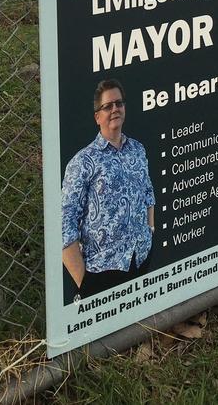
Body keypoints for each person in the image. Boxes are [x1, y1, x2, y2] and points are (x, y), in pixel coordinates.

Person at [61, 78, 155, 300]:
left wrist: (149, 233)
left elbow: (148, 193)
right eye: (107, 106)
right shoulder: (83, 162)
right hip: (101, 271)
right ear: (97, 116)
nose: (115, 109)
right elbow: (65, 224)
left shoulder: (138, 150)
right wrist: (84, 283)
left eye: (119, 104)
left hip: (140, 259)